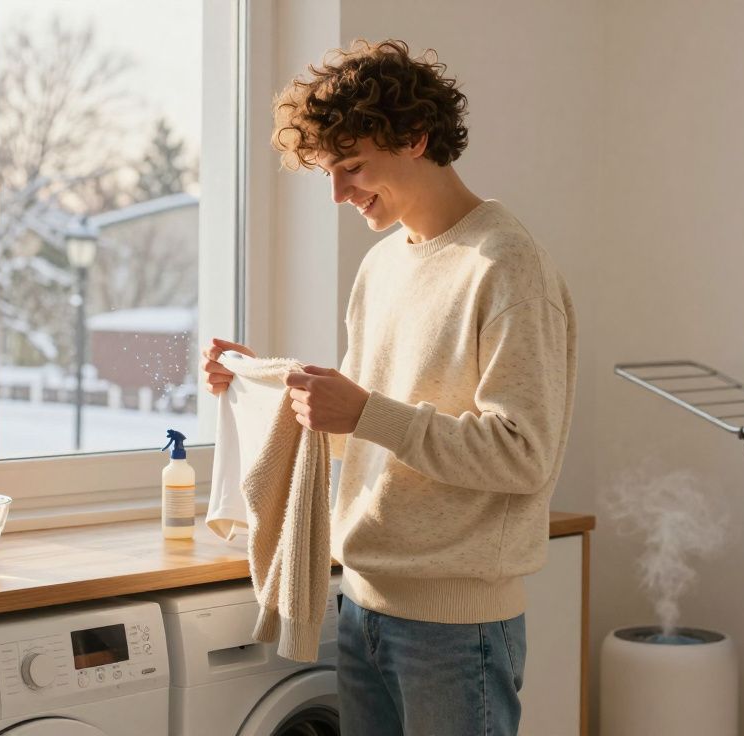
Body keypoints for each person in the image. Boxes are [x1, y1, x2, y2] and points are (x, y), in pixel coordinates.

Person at [202, 39, 578, 735]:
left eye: (351, 168)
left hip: (456, 628)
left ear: (415, 137)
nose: (341, 193)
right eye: (328, 174)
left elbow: (524, 454)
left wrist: (368, 411)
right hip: (365, 606)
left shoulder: (507, 266)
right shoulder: (381, 266)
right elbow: (368, 437)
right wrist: (269, 388)